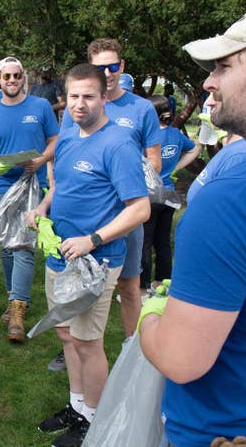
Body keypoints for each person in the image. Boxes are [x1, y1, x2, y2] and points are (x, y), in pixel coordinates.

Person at [138, 2, 246, 446]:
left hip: (231, 430)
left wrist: (151, 313)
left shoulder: (234, 197)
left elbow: (181, 359)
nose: (208, 81)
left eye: (224, 66)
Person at [27, 63, 149, 446]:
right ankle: (77, 406)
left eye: (89, 96)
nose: (80, 104)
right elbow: (61, 185)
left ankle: (95, 420)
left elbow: (139, 208)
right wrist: (42, 208)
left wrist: (93, 239)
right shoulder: (67, 136)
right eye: (74, 96)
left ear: (104, 96)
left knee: (87, 342)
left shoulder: (118, 144)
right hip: (60, 253)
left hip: (95, 260)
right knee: (66, 334)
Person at [62, 38, 162, 338]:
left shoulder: (141, 109)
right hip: (86, 217)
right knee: (77, 283)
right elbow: (70, 151)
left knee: (130, 287)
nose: (107, 72)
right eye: (99, 67)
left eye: (113, 66)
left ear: (122, 66)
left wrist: (124, 177)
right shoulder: (77, 106)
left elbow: (155, 162)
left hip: (126, 214)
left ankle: (130, 351)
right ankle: (74, 345)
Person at [0, 56, 59, 342]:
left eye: (17, 76)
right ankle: (11, 297)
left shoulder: (40, 106)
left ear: (24, 78)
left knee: (23, 245)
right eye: (7, 76)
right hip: (2, 185)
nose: (12, 81)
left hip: (31, 185)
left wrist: (41, 160)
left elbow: (54, 140)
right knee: (6, 245)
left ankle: (18, 312)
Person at [140, 95, 200, 296]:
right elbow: (195, 149)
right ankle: (162, 282)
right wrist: (176, 166)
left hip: (150, 193)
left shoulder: (148, 136)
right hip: (170, 194)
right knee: (163, 241)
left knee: (144, 242)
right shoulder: (175, 134)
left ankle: (143, 286)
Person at [186, 94, 246, 203]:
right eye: (209, 94)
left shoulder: (239, 155)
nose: (207, 102)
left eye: (218, 93)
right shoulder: (233, 149)